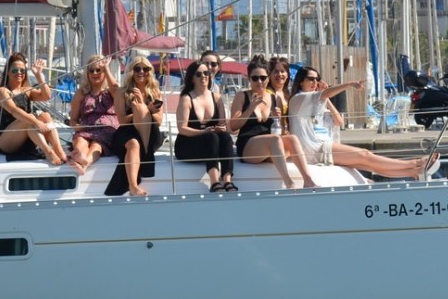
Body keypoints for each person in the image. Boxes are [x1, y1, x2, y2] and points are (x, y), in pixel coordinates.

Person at [288, 66, 439, 178]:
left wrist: (325, 98)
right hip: (314, 149)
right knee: (365, 154)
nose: (315, 82)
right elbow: (322, 95)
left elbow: (338, 121)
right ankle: (416, 163)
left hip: (320, 145)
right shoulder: (298, 99)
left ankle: (413, 172)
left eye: (317, 79)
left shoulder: (313, 102)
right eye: (311, 79)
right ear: (301, 81)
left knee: (365, 163)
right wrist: (348, 84)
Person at [228, 56, 316, 189]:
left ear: (268, 78)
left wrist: (277, 119)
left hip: (270, 147)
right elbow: (233, 127)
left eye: (263, 78)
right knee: (274, 139)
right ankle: (289, 182)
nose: (259, 81)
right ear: (249, 79)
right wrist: (250, 108)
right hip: (249, 146)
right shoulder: (242, 96)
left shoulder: (275, 99)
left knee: (291, 138)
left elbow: (280, 130)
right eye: (255, 78)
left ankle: (308, 180)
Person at [0, 53, 70, 167]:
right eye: (14, 70)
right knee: (29, 119)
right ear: (7, 72)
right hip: (4, 141)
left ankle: (58, 150)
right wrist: (36, 122)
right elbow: (14, 111)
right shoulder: (2, 91)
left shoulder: (26, 90)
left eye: (22, 70)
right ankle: (48, 152)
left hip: (23, 136)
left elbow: (46, 96)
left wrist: (38, 75)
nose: (19, 73)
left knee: (45, 115)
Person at [173, 60, 236, 192]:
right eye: (198, 74)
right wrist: (204, 132)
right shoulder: (186, 98)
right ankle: (214, 182)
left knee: (224, 136)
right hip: (187, 144)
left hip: (211, 143)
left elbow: (222, 125)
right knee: (211, 137)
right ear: (192, 78)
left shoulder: (217, 98)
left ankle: (227, 179)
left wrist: (220, 128)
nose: (203, 76)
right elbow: (182, 129)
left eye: (206, 73)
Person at [105, 57, 164, 196]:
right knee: (133, 144)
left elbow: (159, 121)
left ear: (150, 71)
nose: (141, 72)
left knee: (141, 109)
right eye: (137, 68)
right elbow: (122, 120)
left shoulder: (155, 92)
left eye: (146, 69)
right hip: (127, 131)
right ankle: (133, 186)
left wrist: (145, 108)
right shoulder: (121, 92)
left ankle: (142, 157)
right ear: (132, 71)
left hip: (150, 133)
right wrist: (138, 110)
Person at [67, 55, 119, 171]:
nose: (95, 73)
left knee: (97, 143)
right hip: (86, 129)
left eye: (98, 70)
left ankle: (85, 163)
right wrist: (77, 126)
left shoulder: (110, 91)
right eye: (91, 70)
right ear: (87, 73)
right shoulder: (81, 93)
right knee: (80, 140)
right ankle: (82, 161)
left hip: (107, 129)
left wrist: (106, 67)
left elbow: (116, 90)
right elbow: (73, 119)